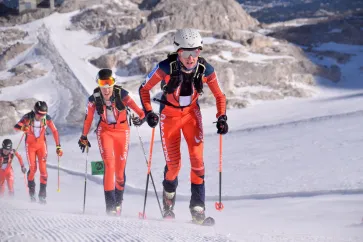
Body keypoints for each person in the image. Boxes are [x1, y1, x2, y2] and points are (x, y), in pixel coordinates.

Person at [138, 28, 228, 224]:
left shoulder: (206, 70)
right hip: (168, 117)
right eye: (186, 53)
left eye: (195, 52)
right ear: (177, 52)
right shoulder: (165, 67)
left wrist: (222, 117)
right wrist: (149, 113)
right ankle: (168, 204)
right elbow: (144, 89)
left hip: (190, 116)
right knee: (174, 166)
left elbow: (220, 96)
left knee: (198, 161)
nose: (190, 58)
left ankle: (198, 209)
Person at [78, 68, 145, 216]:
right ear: (98, 83)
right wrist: (83, 136)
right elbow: (88, 118)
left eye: (109, 83)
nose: (106, 88)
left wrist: (140, 118)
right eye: (103, 83)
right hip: (105, 131)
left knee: (120, 172)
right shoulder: (93, 98)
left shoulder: (122, 94)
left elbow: (139, 112)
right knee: (109, 165)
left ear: (114, 83)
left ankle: (118, 203)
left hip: (122, 131)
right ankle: (110, 207)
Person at [14, 101, 63, 203]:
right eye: (39, 114)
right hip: (30, 146)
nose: (41, 116)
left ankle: (42, 195)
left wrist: (58, 146)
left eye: (43, 114)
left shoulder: (47, 119)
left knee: (43, 171)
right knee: (33, 169)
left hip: (41, 146)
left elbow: (55, 131)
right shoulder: (28, 117)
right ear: (35, 111)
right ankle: (32, 193)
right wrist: (23, 127)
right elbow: (16, 126)